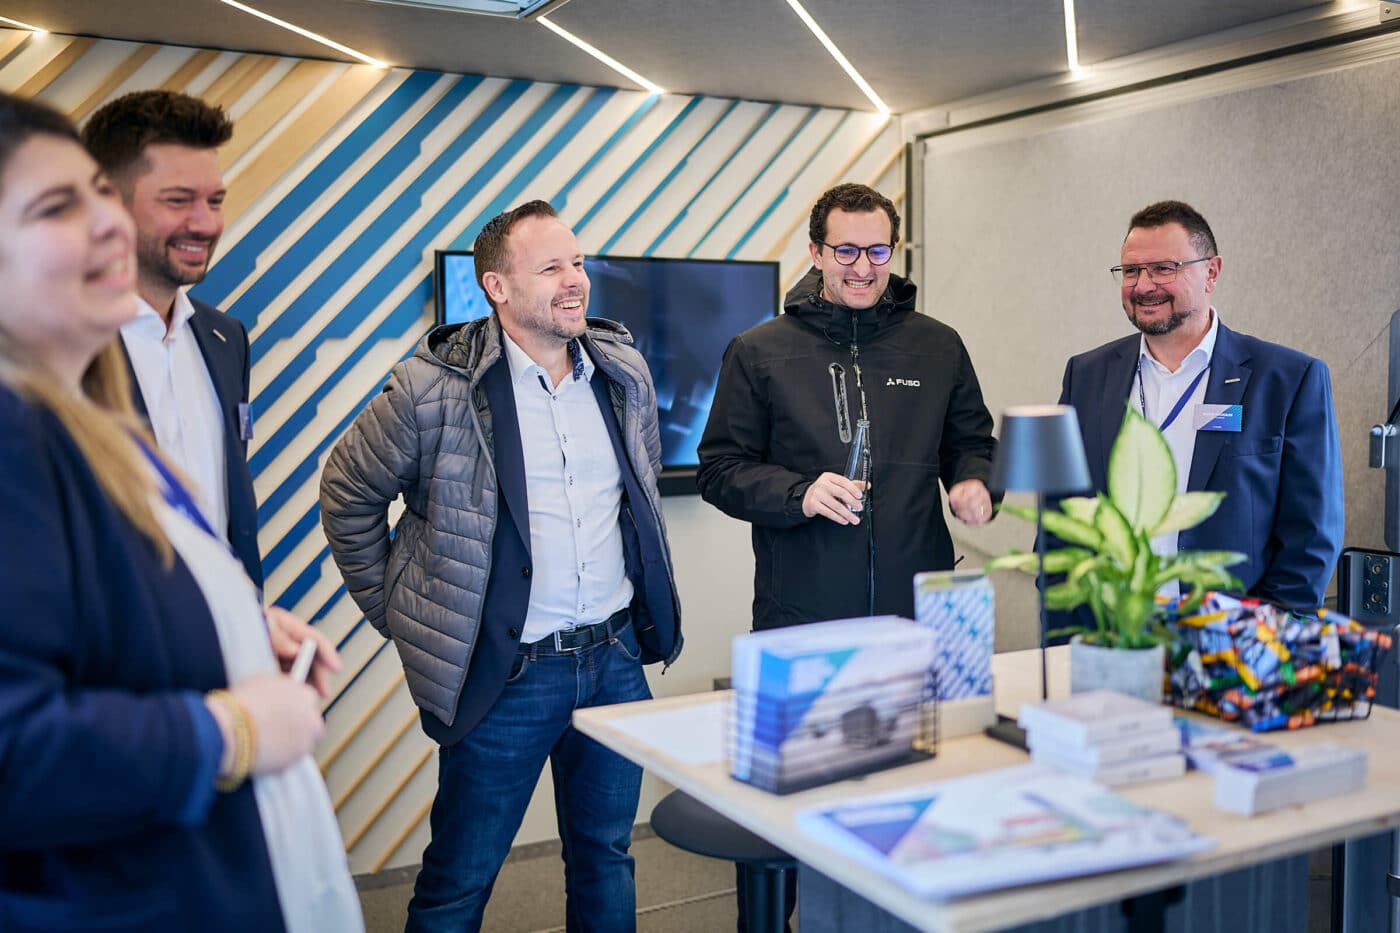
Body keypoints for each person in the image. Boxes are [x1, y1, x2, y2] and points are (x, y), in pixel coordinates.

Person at [0, 93, 361, 933]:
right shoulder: (17, 430)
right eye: (60, 206)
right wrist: (232, 730)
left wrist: (229, 621)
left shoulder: (93, 402)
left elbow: (111, 579)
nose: (104, 225)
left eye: (97, 196)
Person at [319, 199, 681, 932]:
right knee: (459, 882)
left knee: (607, 857)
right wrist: (401, 611)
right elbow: (348, 494)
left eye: (577, 262)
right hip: (507, 676)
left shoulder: (624, 371)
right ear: (497, 287)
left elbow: (640, 495)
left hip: (614, 661)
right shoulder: (429, 388)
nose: (575, 280)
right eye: (550, 268)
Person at [697, 183, 999, 631]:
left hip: (918, 614)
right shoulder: (758, 352)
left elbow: (971, 444)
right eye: (846, 251)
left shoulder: (938, 346)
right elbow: (720, 470)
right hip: (801, 616)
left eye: (877, 251)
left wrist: (975, 480)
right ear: (816, 254)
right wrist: (800, 494)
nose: (863, 267)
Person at [1059, 200, 1343, 609]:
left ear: (1211, 272)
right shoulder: (1086, 376)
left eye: (1163, 268)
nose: (1143, 286)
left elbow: (1311, 536)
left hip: (1229, 635)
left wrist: (1258, 634)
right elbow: (1062, 514)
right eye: (1132, 270)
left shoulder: (1287, 380)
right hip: (1110, 630)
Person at [81, 90, 262, 589]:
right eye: (178, 200)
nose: (205, 224)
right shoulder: (50, 347)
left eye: (215, 201)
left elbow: (228, 514)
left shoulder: (226, 338)